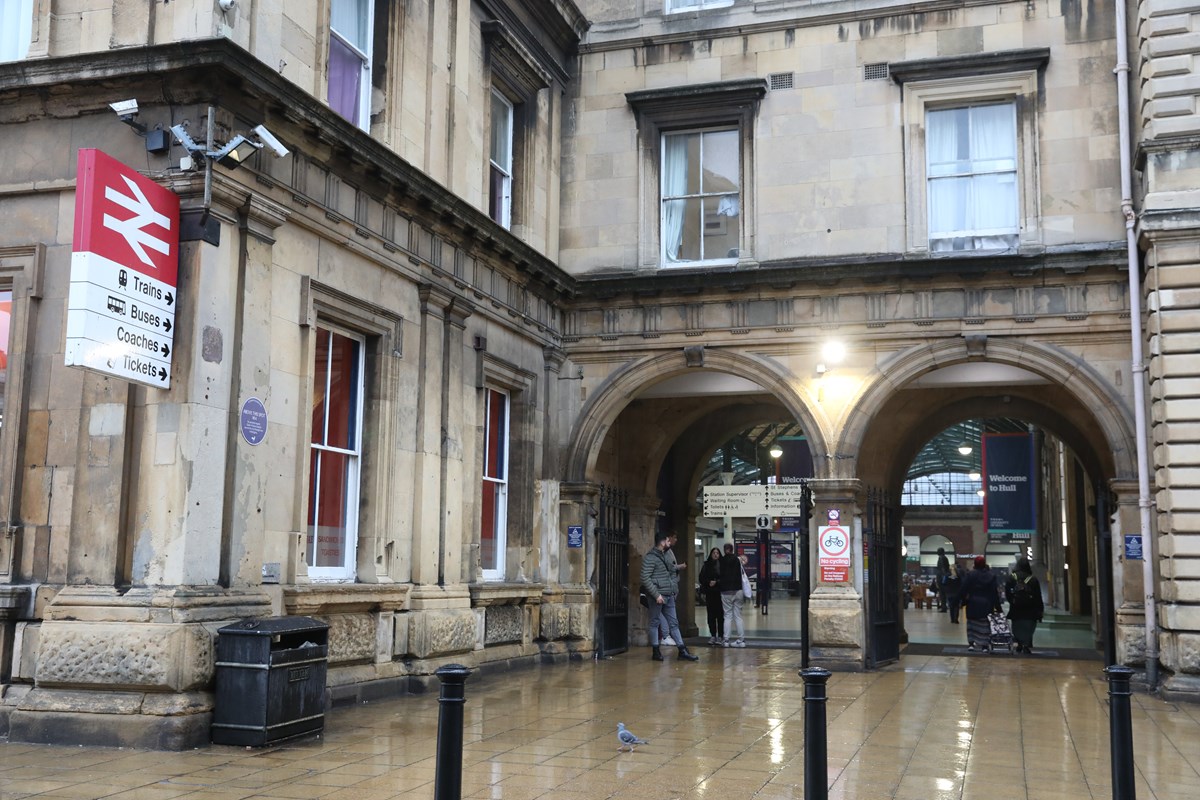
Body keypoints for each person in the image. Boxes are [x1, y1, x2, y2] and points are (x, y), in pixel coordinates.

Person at [640, 531, 700, 662]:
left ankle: (682, 650)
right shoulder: (650, 558)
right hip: (658, 596)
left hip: (669, 595)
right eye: (667, 541)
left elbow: (672, 571)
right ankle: (656, 651)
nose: (669, 543)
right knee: (655, 622)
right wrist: (656, 595)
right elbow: (645, 577)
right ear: (662, 542)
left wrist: (673, 589)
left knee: (674, 623)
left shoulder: (666, 555)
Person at [958, 555, 1002, 651]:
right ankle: (984, 645)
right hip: (987, 604)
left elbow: (963, 589)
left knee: (972, 624)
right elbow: (994, 593)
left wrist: (962, 601)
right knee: (985, 624)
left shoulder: (970, 575)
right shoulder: (991, 576)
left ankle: (971, 643)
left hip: (973, 603)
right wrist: (998, 608)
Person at [1005, 557, 1045, 654]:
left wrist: (1013, 601)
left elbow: (1007, 593)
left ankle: (1019, 643)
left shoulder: (1012, 577)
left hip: (1016, 609)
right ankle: (1026, 644)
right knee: (1028, 626)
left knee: (1017, 626)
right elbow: (1038, 596)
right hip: (1030, 609)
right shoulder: (1033, 579)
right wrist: (1040, 609)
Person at [655, 533, 686, 645]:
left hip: (671, 588)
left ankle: (681, 646)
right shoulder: (658, 555)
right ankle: (664, 637)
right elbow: (668, 568)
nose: (673, 541)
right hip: (663, 589)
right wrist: (679, 567)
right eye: (668, 540)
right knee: (658, 616)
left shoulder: (667, 552)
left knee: (672, 620)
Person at [717, 543, 746, 647]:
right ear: (732, 549)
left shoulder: (721, 560)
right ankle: (741, 640)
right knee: (738, 616)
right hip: (738, 590)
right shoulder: (737, 560)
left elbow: (718, 574)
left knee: (727, 616)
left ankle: (726, 640)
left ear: (725, 550)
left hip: (725, 591)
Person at [698, 547, 724, 644]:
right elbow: (701, 577)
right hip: (710, 593)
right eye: (714, 553)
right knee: (711, 615)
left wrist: (717, 582)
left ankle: (721, 636)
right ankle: (713, 635)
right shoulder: (706, 565)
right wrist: (708, 582)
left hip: (720, 593)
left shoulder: (722, 565)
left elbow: (725, 578)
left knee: (720, 616)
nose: (716, 554)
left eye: (717, 553)